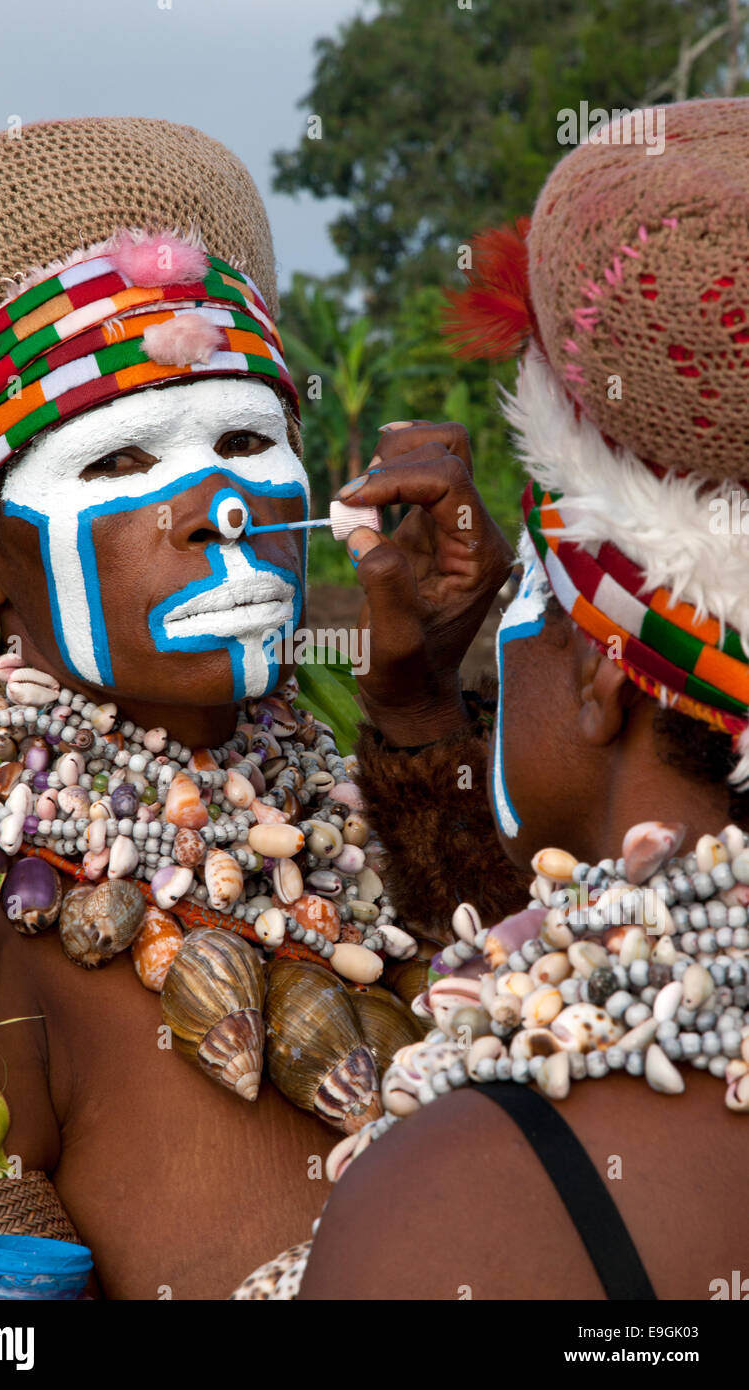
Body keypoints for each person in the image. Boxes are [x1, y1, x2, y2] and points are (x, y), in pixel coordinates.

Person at [0, 117, 452, 1300]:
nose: (219, 508)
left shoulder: (386, 794)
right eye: (121, 465)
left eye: (247, 440)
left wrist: (416, 699)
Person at [292, 97, 749, 1301]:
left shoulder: (456, 1205)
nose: (503, 644)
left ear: (606, 674)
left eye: (533, 603)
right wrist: (409, 705)